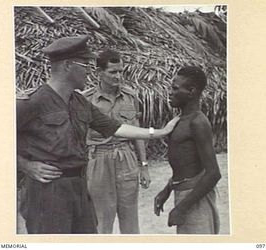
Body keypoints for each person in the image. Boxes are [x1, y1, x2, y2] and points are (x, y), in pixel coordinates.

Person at [16, 35, 180, 234]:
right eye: (85, 64)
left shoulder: (79, 102)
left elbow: (116, 127)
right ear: (68, 65)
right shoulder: (32, 102)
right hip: (47, 192)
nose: (89, 71)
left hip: (79, 187)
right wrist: (25, 165)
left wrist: (160, 132)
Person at [82, 50, 150, 234]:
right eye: (113, 72)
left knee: (130, 219)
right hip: (99, 158)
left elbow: (137, 133)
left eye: (120, 71)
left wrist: (143, 165)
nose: (118, 76)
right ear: (99, 72)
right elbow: (78, 138)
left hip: (126, 157)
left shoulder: (130, 96)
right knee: (102, 220)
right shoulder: (86, 99)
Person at [154, 66, 221, 234]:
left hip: (195, 199)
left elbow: (213, 173)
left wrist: (181, 209)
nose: (169, 92)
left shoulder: (198, 122)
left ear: (191, 91)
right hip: (184, 195)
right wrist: (167, 190)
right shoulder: (179, 120)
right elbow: (186, 165)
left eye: (175, 88)